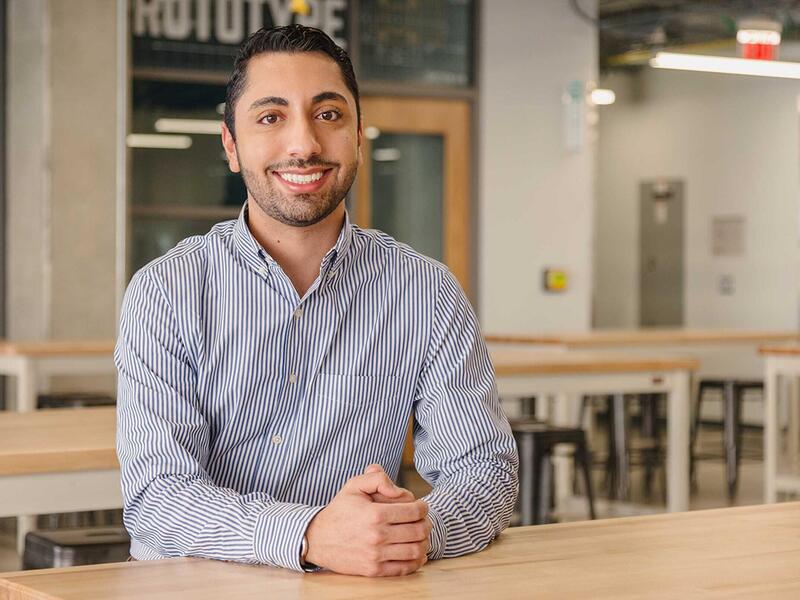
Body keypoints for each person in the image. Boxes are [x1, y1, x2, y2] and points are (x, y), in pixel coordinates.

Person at [115, 24, 518, 578]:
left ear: (358, 137)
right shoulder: (167, 291)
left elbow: (484, 469)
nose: (303, 145)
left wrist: (406, 532)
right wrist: (309, 536)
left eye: (328, 114)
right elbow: (158, 496)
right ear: (231, 145)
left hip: (358, 587)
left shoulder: (425, 291)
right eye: (270, 117)